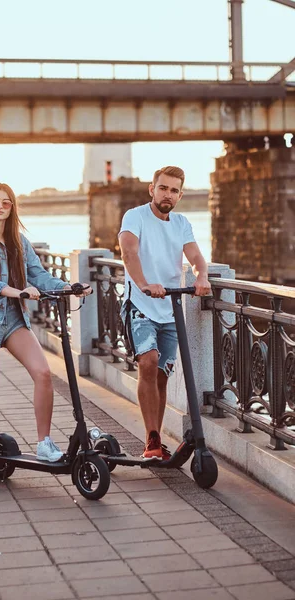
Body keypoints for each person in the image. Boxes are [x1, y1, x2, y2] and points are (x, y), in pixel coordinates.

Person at [0, 182, 92, 487]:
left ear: (11, 208)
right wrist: (18, 291)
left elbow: (39, 275)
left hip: (12, 321)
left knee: (44, 373)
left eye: (6, 203)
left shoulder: (18, 242)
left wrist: (68, 286)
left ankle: (44, 443)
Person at [118, 166, 211, 459]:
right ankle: (151, 439)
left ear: (180, 195)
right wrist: (144, 284)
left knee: (161, 375)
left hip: (170, 309)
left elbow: (195, 257)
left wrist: (202, 276)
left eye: (173, 190)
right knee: (148, 361)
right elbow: (128, 252)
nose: (167, 194)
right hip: (141, 304)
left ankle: (155, 442)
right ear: (152, 189)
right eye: (163, 188)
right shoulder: (135, 216)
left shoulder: (181, 223)